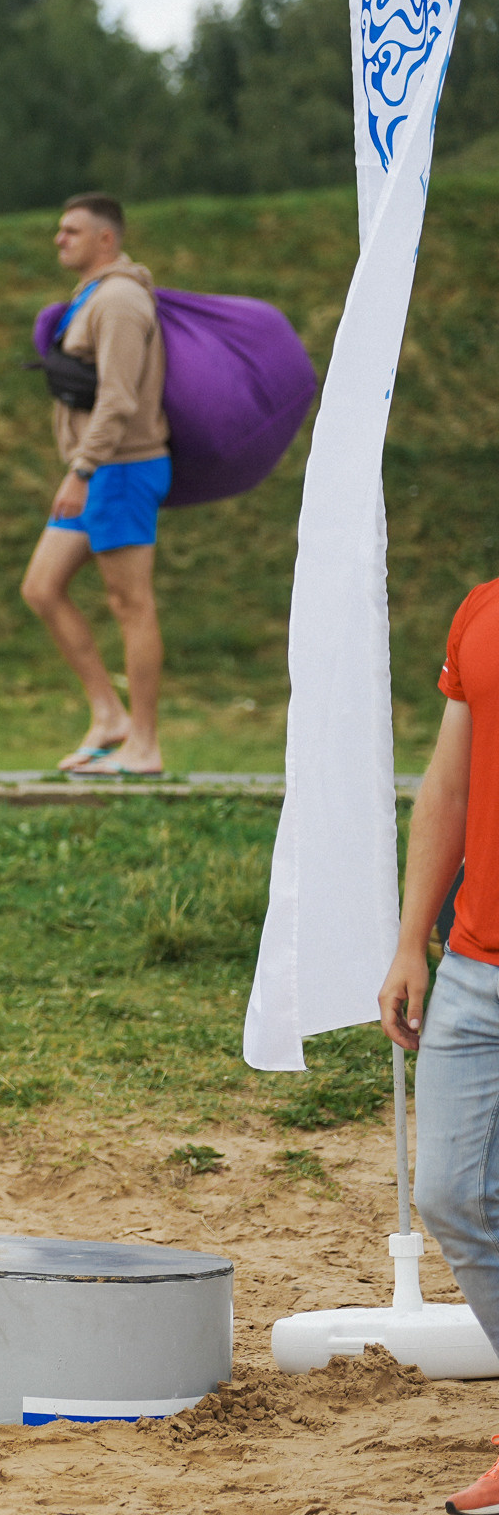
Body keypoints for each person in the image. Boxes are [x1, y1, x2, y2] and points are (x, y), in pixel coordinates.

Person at [383, 580, 499, 1515]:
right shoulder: (481, 611)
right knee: (451, 1196)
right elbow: (450, 785)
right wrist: (408, 937)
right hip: (472, 964)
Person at [17, 192, 171, 778]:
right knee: (42, 587)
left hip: (122, 468)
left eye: (71, 230)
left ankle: (146, 745)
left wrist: (82, 469)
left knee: (130, 604)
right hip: (99, 470)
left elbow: (119, 397)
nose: (59, 238)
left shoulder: (122, 302)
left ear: (106, 239)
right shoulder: (92, 298)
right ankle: (109, 716)